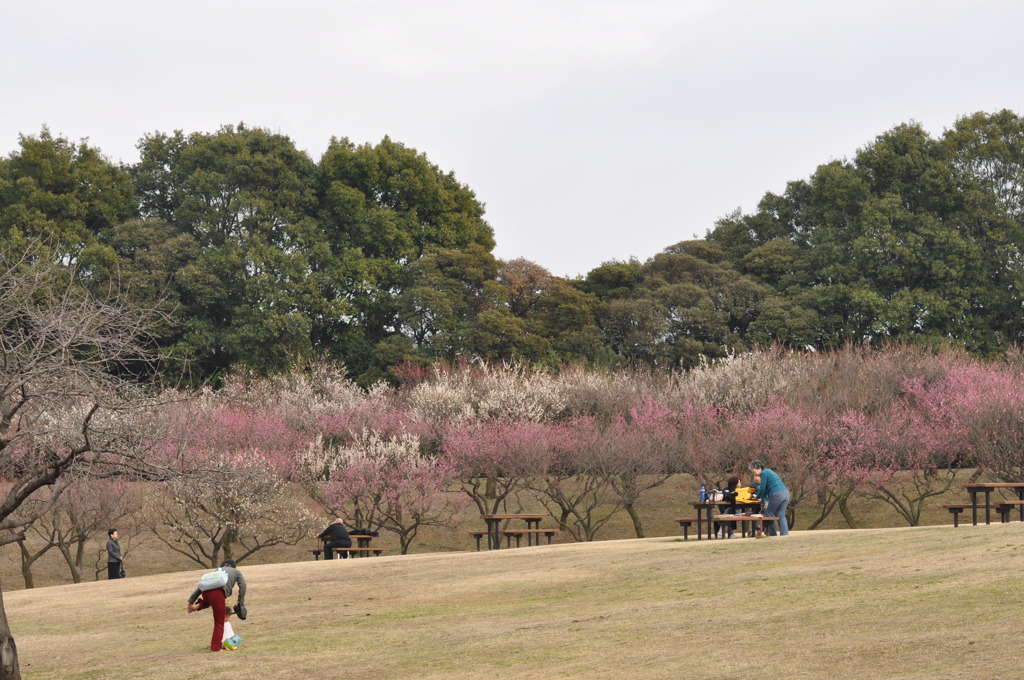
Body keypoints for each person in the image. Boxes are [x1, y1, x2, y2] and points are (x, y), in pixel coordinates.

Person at [187, 558, 247, 652]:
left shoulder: (217, 571)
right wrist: (240, 601)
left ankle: (197, 606)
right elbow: (243, 585)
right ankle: (216, 648)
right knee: (220, 622)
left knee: (211, 601)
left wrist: (191, 601)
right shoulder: (236, 572)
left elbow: (201, 587)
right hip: (218, 595)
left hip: (206, 594)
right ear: (234, 566)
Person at [749, 460, 790, 536]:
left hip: (777, 493)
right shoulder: (769, 471)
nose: (754, 474)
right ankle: (784, 533)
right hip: (786, 493)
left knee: (769, 513)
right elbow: (765, 489)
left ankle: (772, 534)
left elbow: (762, 488)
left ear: (758, 468)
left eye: (754, 472)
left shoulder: (763, 473)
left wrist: (757, 498)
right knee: (781, 514)